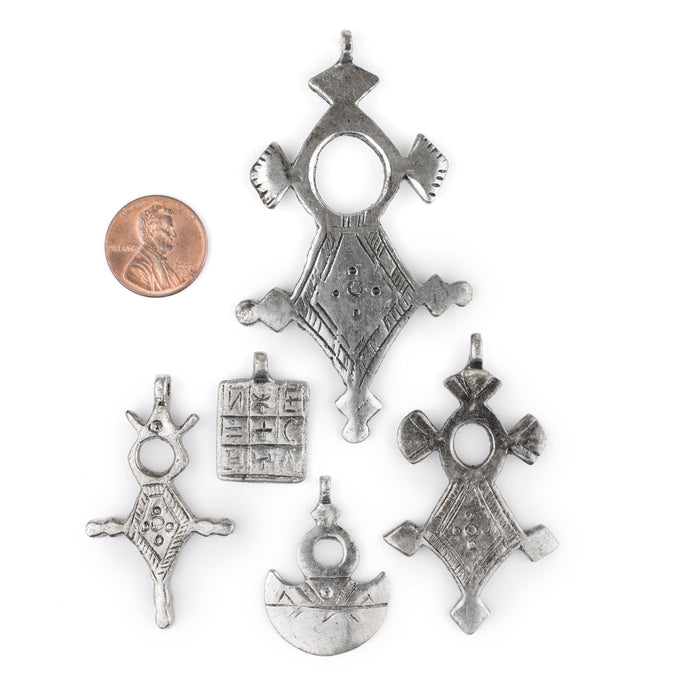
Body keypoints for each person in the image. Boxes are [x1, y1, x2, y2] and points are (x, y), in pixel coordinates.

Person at [125, 205, 180, 292]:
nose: (174, 235)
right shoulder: (136, 270)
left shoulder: (166, 268)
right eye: (168, 229)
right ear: (151, 230)